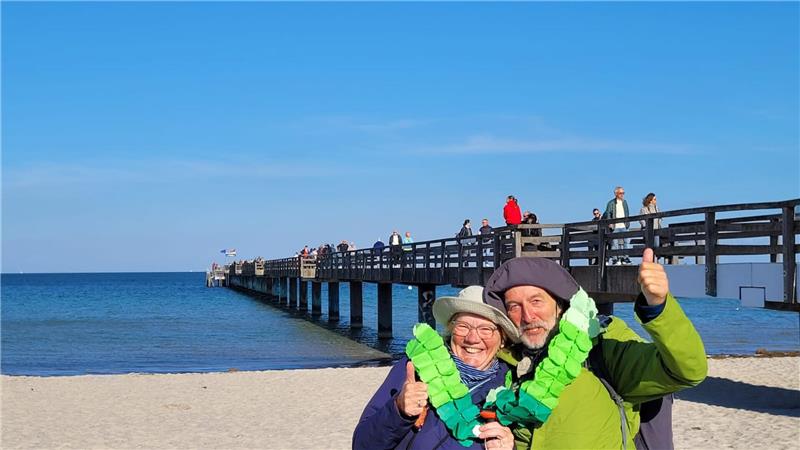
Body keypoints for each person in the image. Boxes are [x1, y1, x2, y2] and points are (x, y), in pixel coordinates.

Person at [482, 249, 707, 449]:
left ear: (560, 306)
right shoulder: (502, 363)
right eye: (514, 306)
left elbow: (687, 371)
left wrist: (657, 307)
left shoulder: (601, 347)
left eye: (537, 301)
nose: (528, 316)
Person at [353, 286, 519, 449]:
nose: (472, 338)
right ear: (451, 330)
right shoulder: (416, 366)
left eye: (486, 329)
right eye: (463, 326)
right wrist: (398, 410)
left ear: (502, 339)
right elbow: (361, 445)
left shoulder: (514, 390)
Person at [603, 186, 632, 265]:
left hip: (624, 225)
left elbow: (627, 213)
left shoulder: (625, 202)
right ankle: (615, 259)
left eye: (623, 193)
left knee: (627, 242)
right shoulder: (611, 203)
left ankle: (625, 258)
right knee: (615, 243)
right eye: (620, 193)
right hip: (615, 226)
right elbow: (608, 213)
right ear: (616, 194)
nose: (622, 195)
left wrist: (627, 223)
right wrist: (610, 223)